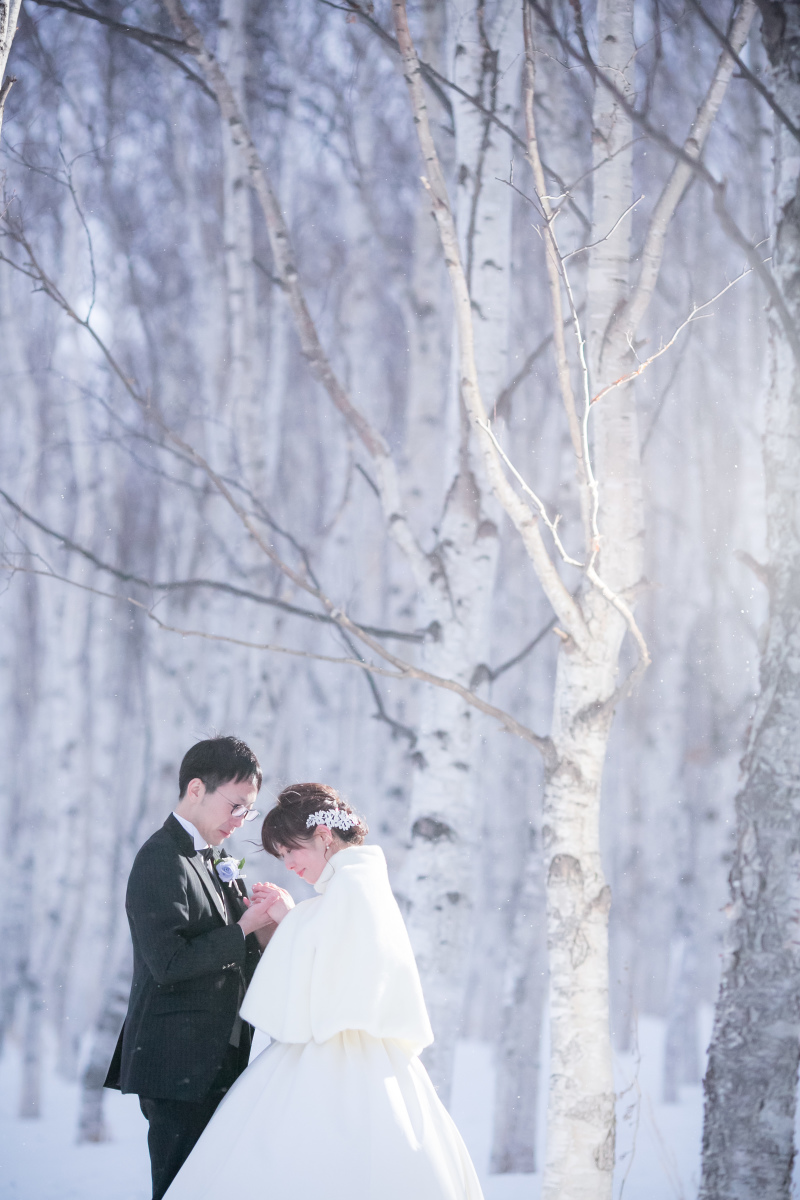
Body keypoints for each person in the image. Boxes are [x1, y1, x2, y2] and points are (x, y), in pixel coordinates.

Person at [163, 781, 484, 1200]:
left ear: (324, 836)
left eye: (290, 850)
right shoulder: (353, 883)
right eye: (280, 856)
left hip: (343, 1046)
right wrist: (293, 916)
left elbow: (337, 963)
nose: (288, 864)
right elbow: (336, 950)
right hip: (350, 1043)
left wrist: (290, 918)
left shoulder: (354, 884)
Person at [104, 736, 281, 1200]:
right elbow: (168, 962)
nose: (240, 820)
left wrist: (265, 929)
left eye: (249, 811)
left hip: (220, 1057)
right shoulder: (161, 857)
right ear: (197, 788)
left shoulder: (221, 857)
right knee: (181, 1187)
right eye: (236, 805)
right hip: (177, 1061)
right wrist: (243, 929)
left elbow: (236, 946)